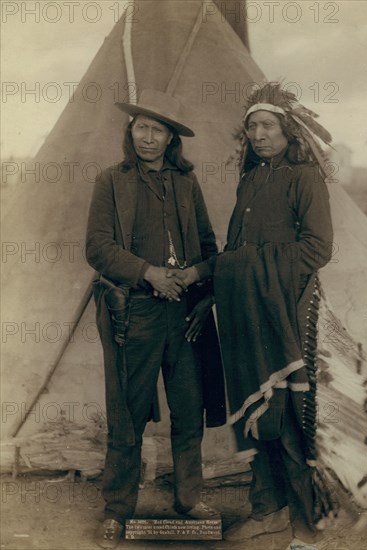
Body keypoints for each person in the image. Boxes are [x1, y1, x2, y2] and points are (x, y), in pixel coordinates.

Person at [182, 82, 334, 548]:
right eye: (251, 127)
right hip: (245, 308)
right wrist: (211, 289)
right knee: (255, 412)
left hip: (284, 309)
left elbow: (317, 249)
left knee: (288, 414)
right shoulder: (250, 179)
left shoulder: (304, 177)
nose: (259, 134)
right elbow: (236, 251)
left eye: (267, 125)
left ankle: (307, 528)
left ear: (287, 129)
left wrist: (244, 271)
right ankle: (267, 510)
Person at [86, 89, 225, 549]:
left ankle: (188, 498)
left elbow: (210, 250)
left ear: (170, 139)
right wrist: (148, 273)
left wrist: (193, 277)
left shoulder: (186, 183)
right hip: (136, 315)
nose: (148, 137)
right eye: (142, 127)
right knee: (127, 415)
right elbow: (99, 248)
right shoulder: (111, 181)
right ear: (131, 132)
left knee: (189, 412)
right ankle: (118, 510)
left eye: (158, 130)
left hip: (184, 317)